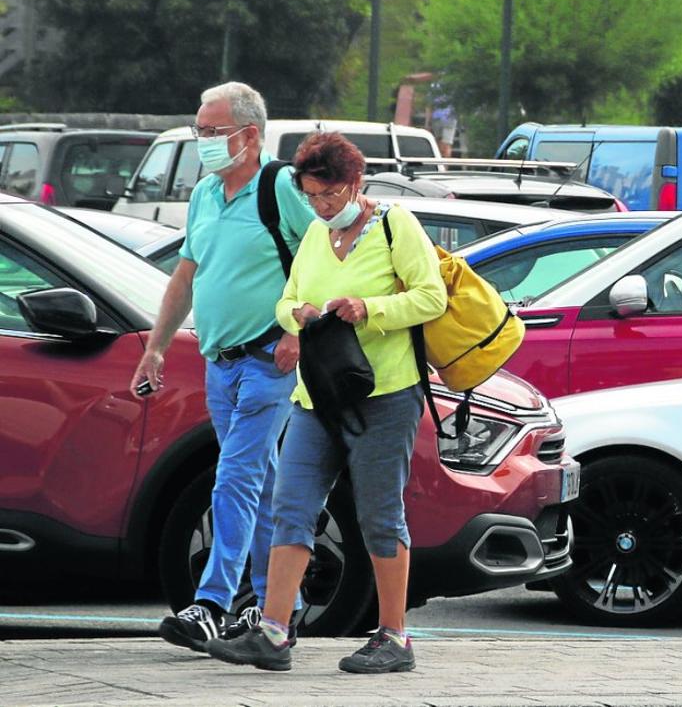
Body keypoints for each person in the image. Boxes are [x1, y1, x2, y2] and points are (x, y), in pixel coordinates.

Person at [206, 132, 447, 674]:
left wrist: (369, 308)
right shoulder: (316, 234)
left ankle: (395, 638)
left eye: (329, 196)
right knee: (290, 506)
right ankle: (272, 633)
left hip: (384, 395)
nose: (320, 207)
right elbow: (286, 300)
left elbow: (432, 296)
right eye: (312, 197)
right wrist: (302, 314)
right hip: (316, 396)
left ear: (354, 183)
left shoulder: (394, 224)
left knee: (380, 516)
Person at [131, 82, 316, 650]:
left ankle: (210, 602)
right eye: (199, 130)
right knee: (256, 486)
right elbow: (187, 274)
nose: (203, 141)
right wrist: (156, 346)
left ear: (250, 135)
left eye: (212, 132)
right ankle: (273, 606)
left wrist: (295, 330)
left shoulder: (279, 186)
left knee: (234, 477)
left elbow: (328, 255)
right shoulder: (206, 194)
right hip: (222, 363)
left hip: (270, 360)